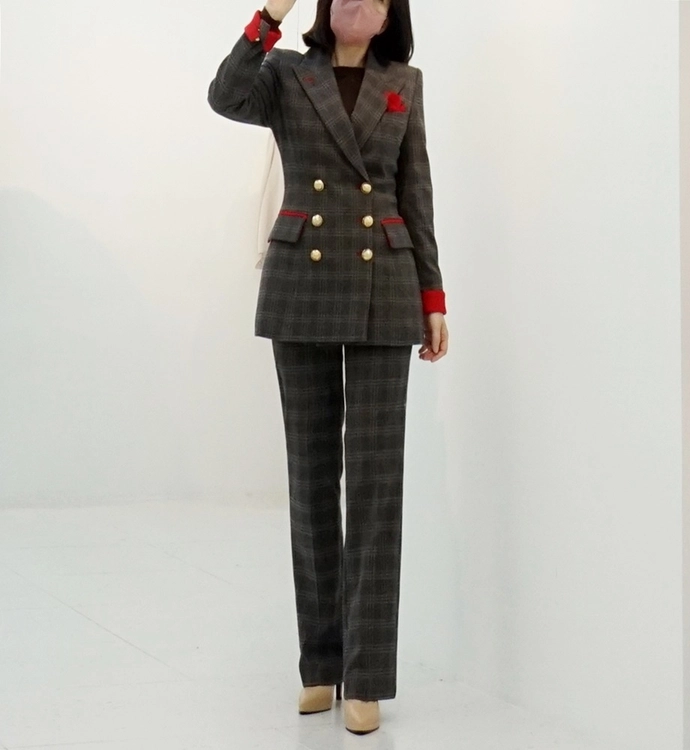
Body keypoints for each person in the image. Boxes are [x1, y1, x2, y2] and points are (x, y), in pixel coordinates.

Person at [207, 0, 448, 735]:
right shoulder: (285, 73)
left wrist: (434, 297)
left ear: (390, 14)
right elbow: (224, 96)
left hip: (385, 286)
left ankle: (366, 676)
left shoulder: (404, 82)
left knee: (375, 485)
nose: (356, 0)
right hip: (302, 286)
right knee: (311, 479)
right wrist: (267, 14)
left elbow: (415, 191)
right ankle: (320, 665)